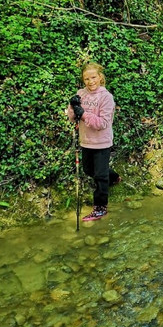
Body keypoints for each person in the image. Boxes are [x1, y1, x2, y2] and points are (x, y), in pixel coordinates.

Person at [66, 62, 120, 222]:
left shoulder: (106, 97)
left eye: (93, 77)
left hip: (102, 142)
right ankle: (114, 177)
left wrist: (83, 114)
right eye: (86, 79)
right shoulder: (81, 93)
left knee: (100, 176)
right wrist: (72, 107)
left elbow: (102, 123)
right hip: (86, 141)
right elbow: (72, 118)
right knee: (89, 170)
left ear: (100, 77)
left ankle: (100, 208)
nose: (90, 81)